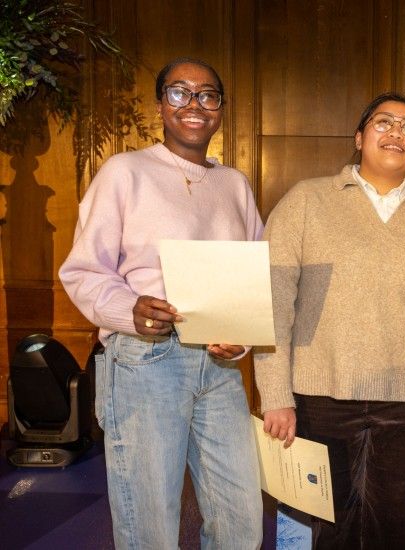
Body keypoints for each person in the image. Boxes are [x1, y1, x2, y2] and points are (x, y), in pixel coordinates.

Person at [59, 57, 264, 549]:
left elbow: (254, 278)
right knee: (149, 524)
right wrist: (127, 308)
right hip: (145, 360)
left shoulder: (234, 184)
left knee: (241, 520)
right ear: (160, 105)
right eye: (180, 92)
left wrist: (240, 341)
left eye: (208, 94)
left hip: (218, 369)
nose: (194, 104)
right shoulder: (125, 172)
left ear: (220, 109)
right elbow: (83, 270)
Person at [254, 92, 405, 549]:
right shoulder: (307, 201)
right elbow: (273, 303)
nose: (396, 132)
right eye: (384, 122)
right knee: (332, 529)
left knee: (396, 530)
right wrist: (276, 395)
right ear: (359, 137)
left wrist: (399, 357)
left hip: (404, 402)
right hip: (320, 396)